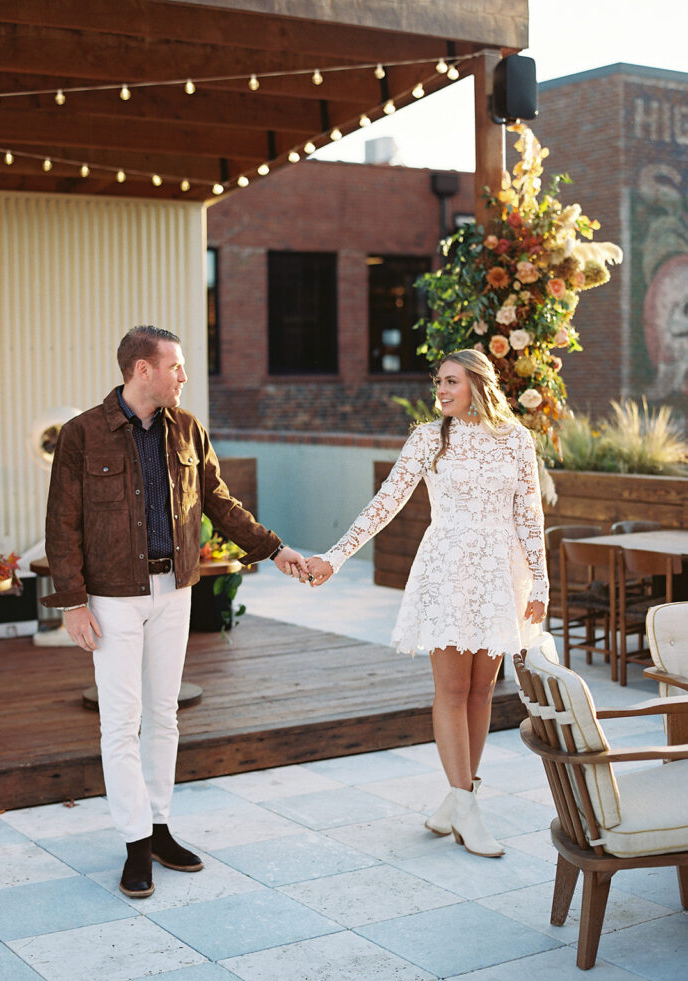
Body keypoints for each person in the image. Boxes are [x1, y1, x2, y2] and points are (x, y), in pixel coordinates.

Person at [41, 325, 309, 897]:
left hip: (174, 591)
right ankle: (134, 842)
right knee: (120, 722)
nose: (184, 376)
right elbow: (61, 526)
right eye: (176, 366)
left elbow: (220, 502)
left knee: (164, 715)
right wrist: (72, 604)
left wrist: (274, 548)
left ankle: (159, 828)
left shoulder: (187, 430)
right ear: (143, 370)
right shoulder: (82, 435)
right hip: (111, 597)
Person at [307, 349, 548, 858]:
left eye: (451, 381)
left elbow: (528, 516)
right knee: (453, 690)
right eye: (438, 381)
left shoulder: (517, 440)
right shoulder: (427, 438)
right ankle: (467, 807)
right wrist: (336, 556)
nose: (440, 390)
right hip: (449, 571)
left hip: (502, 576)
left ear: (478, 385)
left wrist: (541, 584)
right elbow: (384, 504)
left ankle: (458, 800)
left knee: (484, 691)